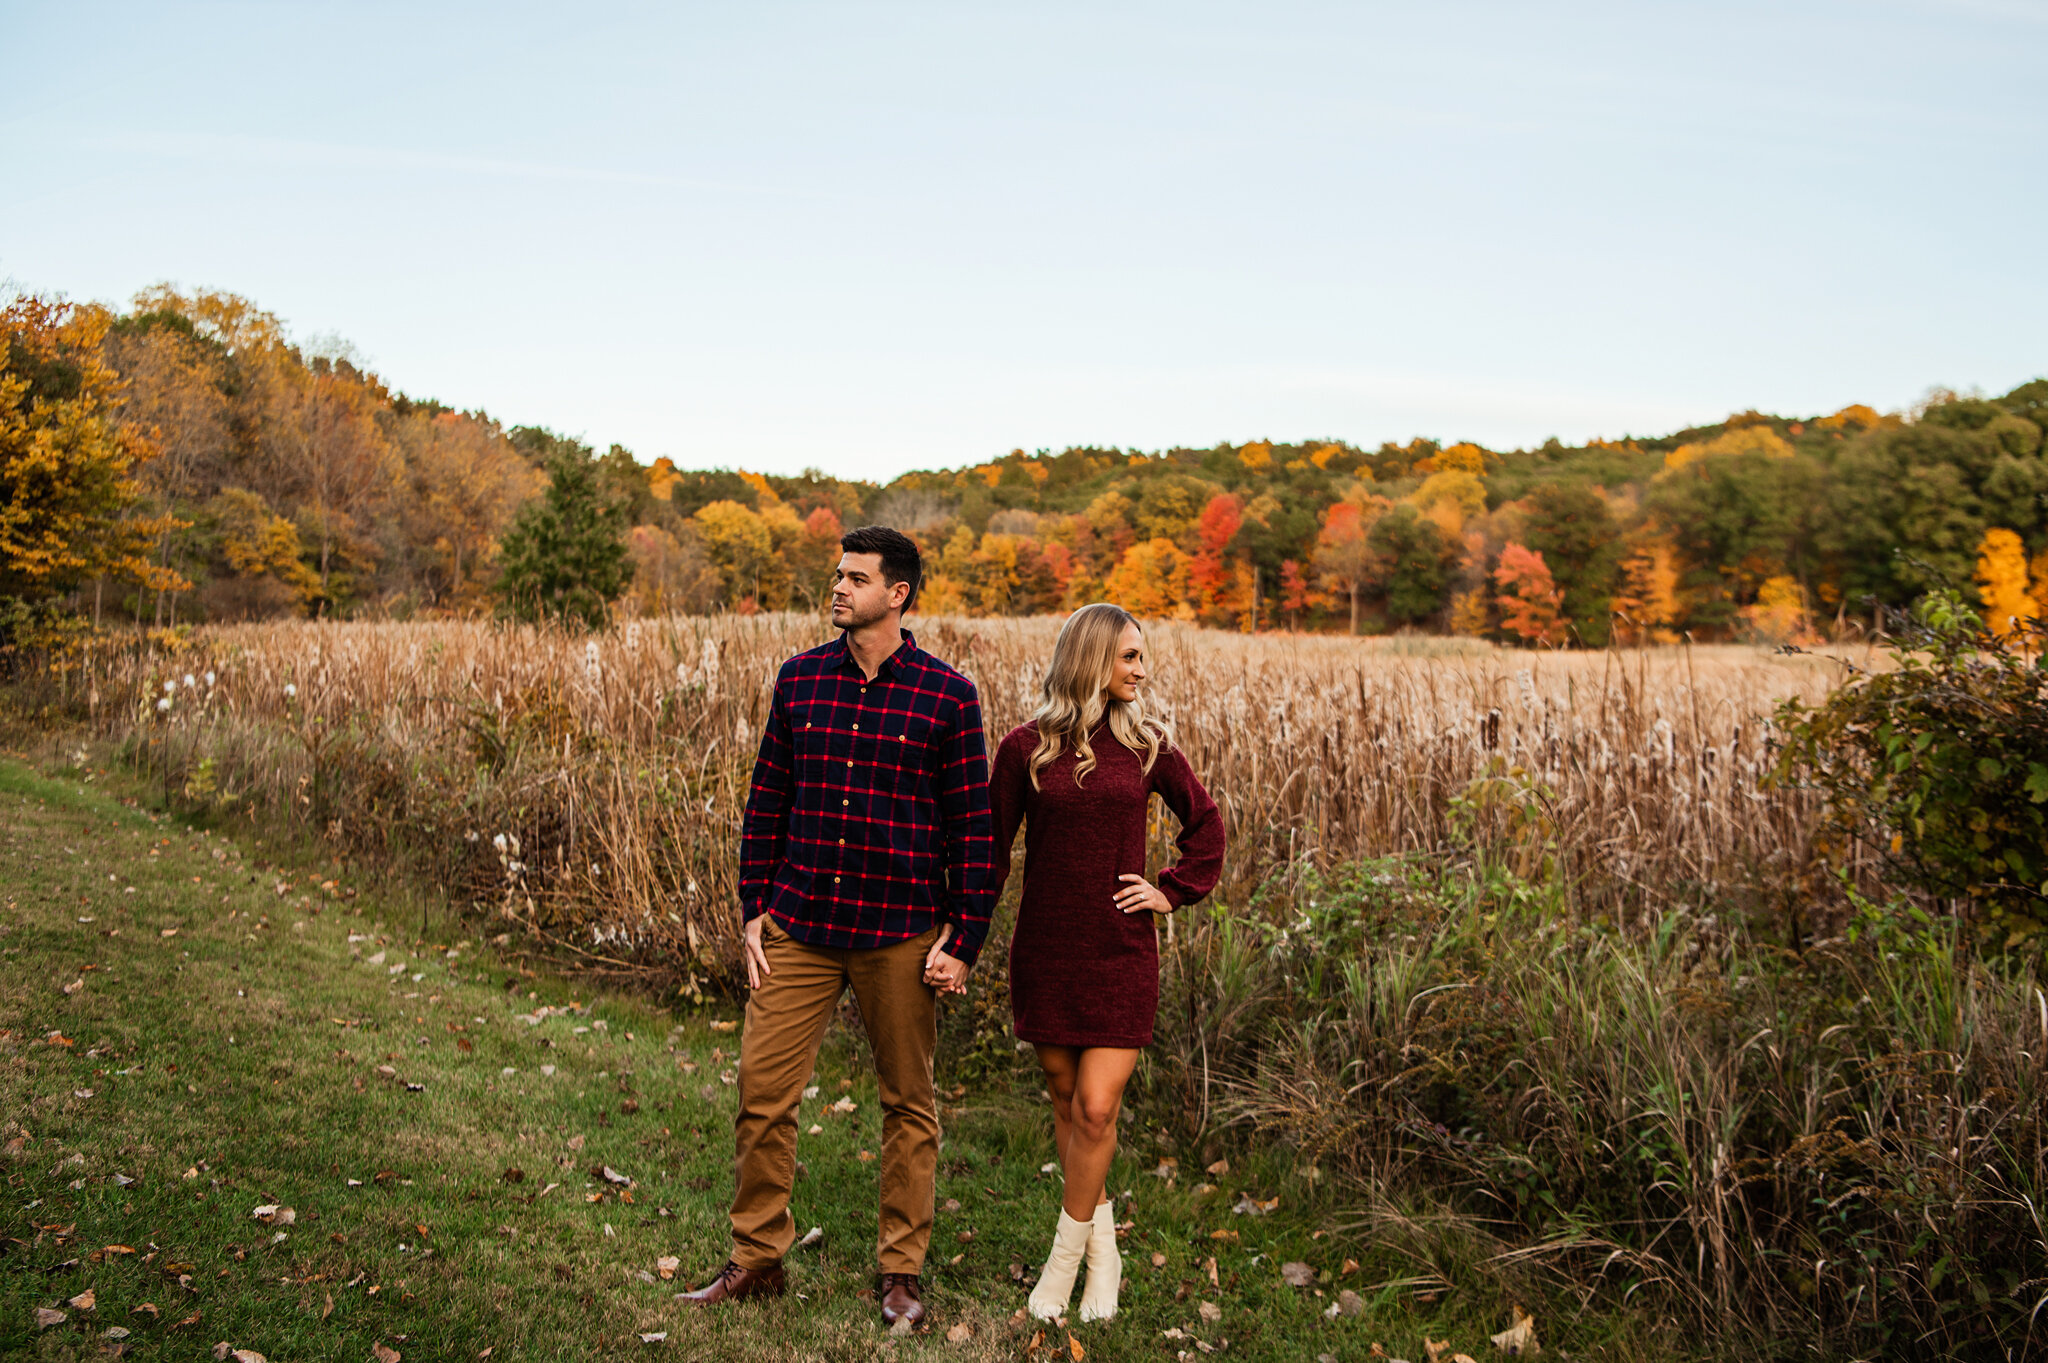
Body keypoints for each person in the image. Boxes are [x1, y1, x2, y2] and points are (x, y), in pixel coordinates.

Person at [682, 525, 994, 1334]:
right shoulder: (800, 680)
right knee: (763, 1094)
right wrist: (754, 906)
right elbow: (767, 801)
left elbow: (974, 833)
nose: (838, 587)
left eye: (856, 578)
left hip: (899, 933)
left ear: (899, 594)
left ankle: (900, 1274)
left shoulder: (948, 697)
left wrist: (963, 937)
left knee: (909, 1103)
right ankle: (757, 1258)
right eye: (837, 574)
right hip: (800, 926)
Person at [989, 603, 1226, 1322]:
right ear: (1092, 659)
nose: (1141, 669)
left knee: (1096, 1106)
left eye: (1142, 656)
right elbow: (988, 853)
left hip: (1120, 950)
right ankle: (1106, 1250)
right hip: (1048, 948)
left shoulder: (1151, 747)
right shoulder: (1022, 747)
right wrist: (954, 934)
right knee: (1066, 1102)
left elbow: (1207, 826)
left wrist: (1170, 890)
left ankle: (1063, 1264)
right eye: (1128, 657)